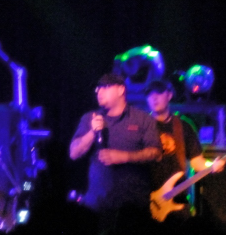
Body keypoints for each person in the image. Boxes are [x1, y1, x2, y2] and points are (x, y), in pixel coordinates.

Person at [69, 73, 161, 225]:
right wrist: (92, 132)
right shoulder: (90, 118)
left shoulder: (143, 119)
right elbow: (74, 153)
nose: (99, 92)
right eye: (97, 88)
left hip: (133, 207)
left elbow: (156, 153)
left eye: (105, 87)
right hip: (97, 207)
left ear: (120, 90)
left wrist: (124, 157)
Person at [146, 79, 223, 220]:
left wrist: (212, 166)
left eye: (159, 92)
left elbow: (197, 162)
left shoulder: (184, 126)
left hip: (178, 196)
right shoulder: (142, 126)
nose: (154, 97)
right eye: (150, 94)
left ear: (169, 95)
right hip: (148, 198)